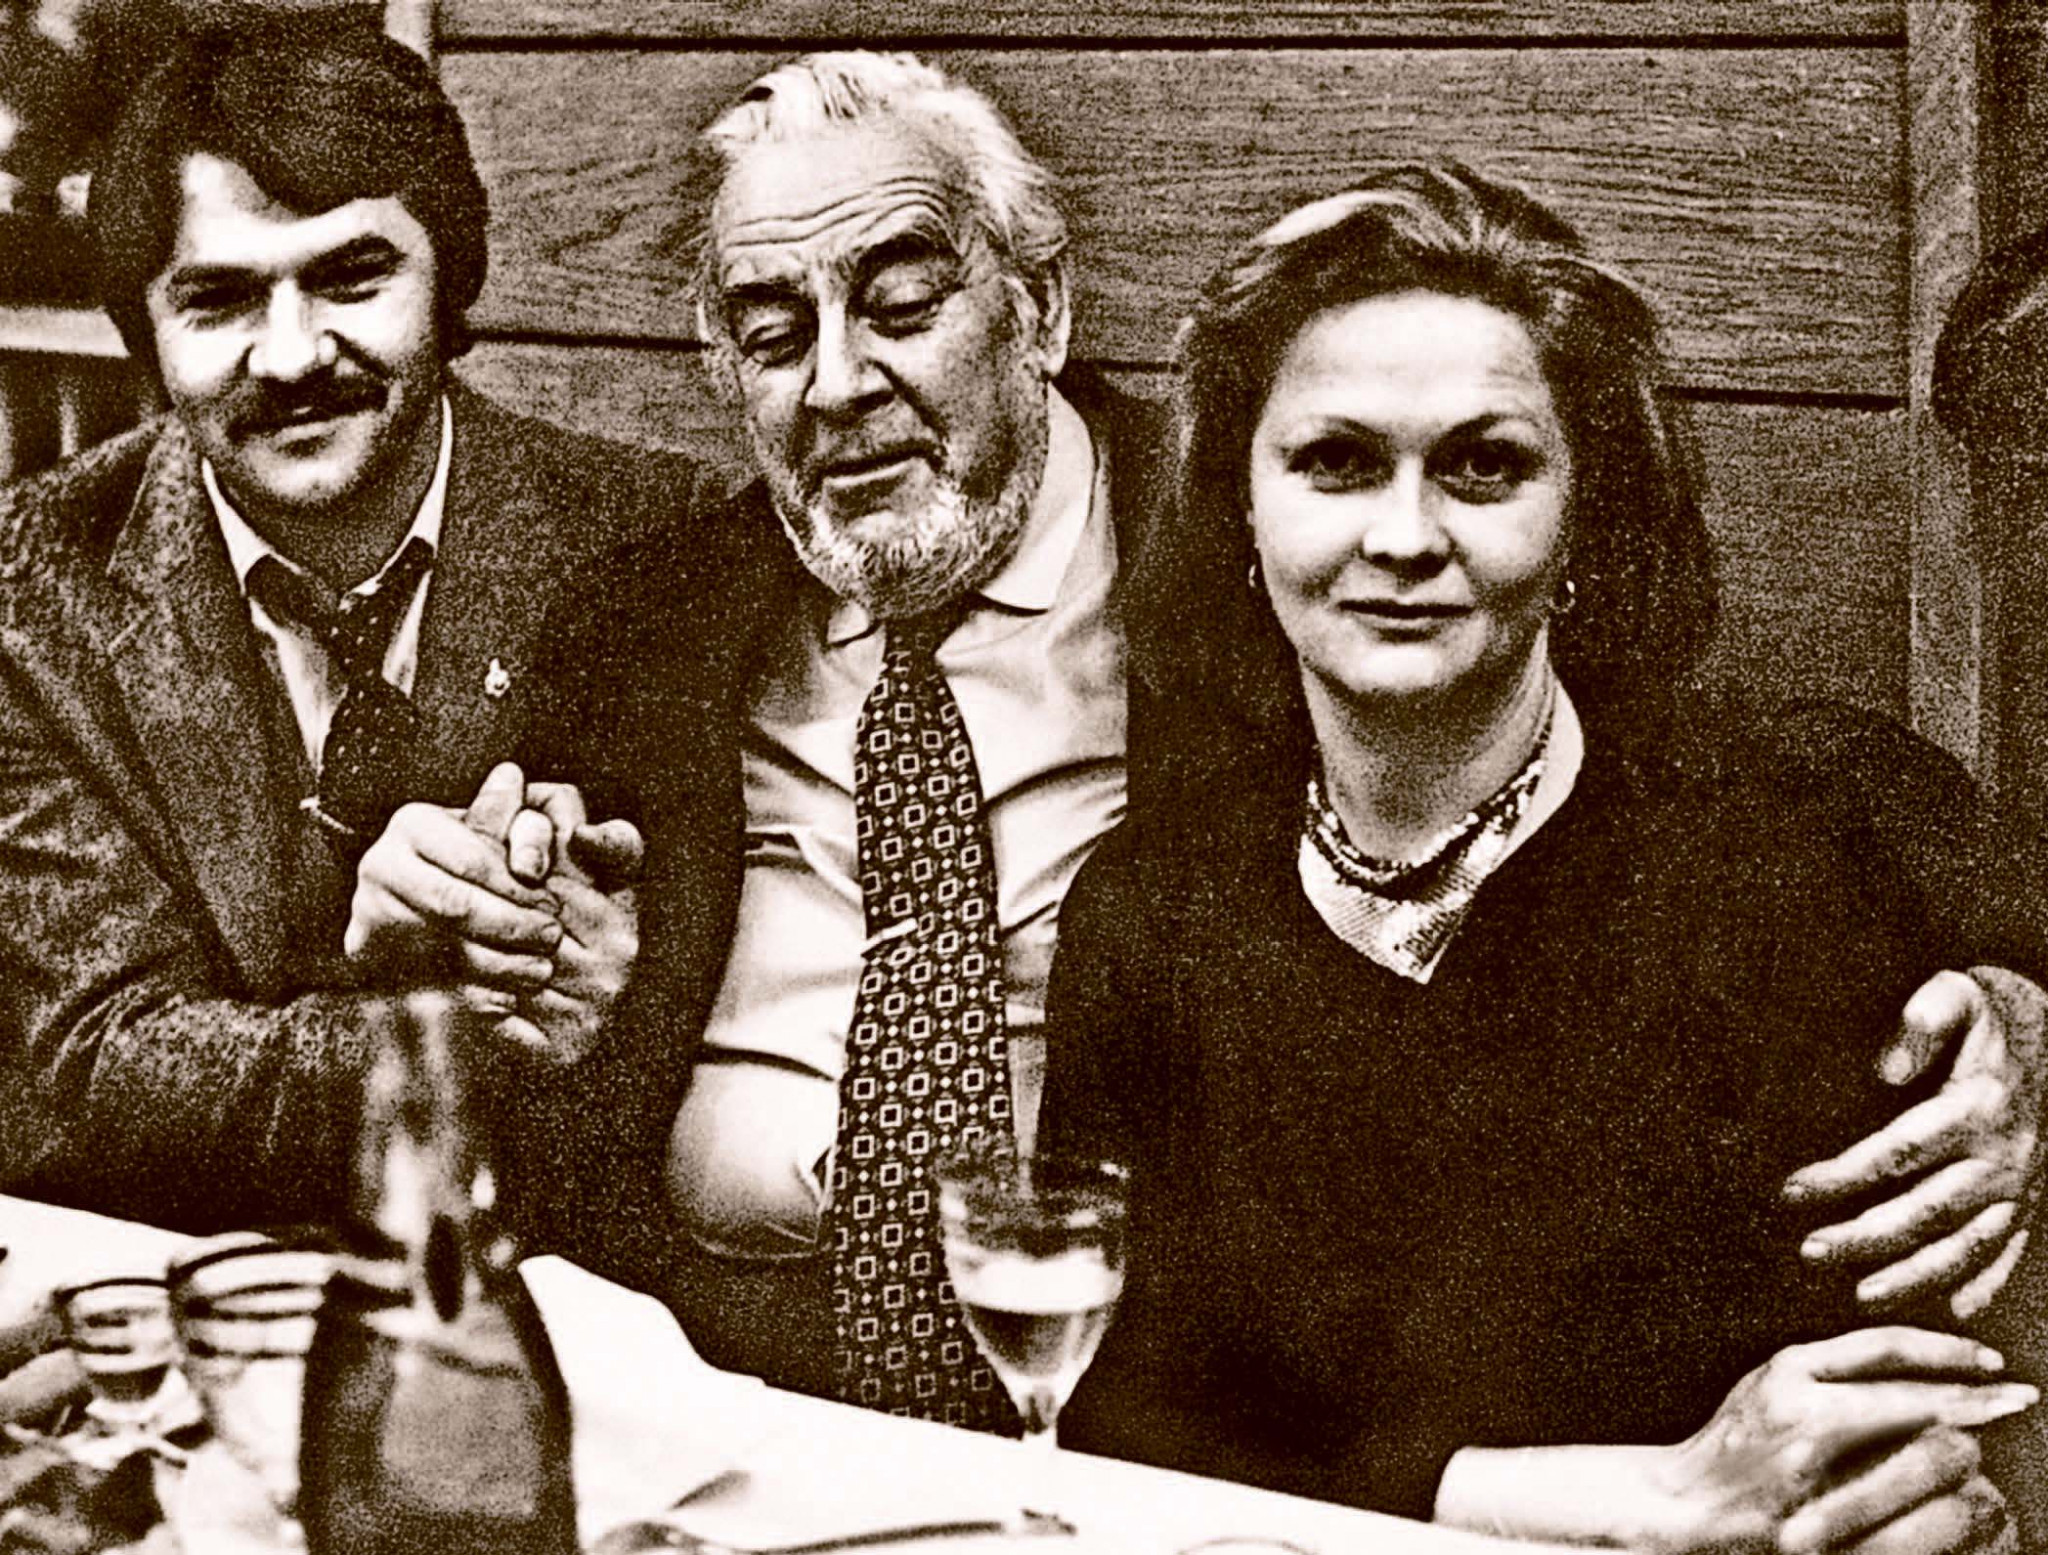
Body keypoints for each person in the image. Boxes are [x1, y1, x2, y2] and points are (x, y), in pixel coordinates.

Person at [374, 52, 2046, 1427]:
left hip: (1158, 1407)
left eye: (902, 302)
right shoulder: (651, 625)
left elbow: (1750, 771)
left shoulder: (1258, 560)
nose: (836, 383)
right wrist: (465, 932)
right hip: (731, 1398)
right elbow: (517, 977)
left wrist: (2017, 982)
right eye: (770, 333)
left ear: (1038, 305)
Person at [1039, 163, 2048, 1548]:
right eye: (1335, 461)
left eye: (1485, 466)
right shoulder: (1149, 908)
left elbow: (1886, 1434)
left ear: (1583, 510)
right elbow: (1118, 1411)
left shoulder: (1798, 841)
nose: (1404, 536)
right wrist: (1641, 1495)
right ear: (1240, 513)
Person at [0, 14, 723, 1235]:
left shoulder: (663, 540)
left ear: (450, 280)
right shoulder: (29, 590)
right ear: (146, 332)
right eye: (218, 299)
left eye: (350, 279)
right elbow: (98, 1062)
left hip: (559, 1290)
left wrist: (629, 977)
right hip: (186, 1280)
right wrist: (435, 1010)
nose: (291, 357)